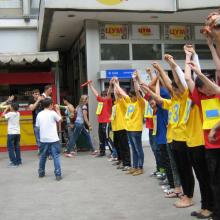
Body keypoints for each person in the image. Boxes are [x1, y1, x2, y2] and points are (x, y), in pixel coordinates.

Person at [36, 98, 62, 181]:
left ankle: (41, 172)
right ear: (50, 105)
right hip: (53, 139)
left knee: (43, 156)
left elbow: (38, 126)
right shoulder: (53, 113)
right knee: (56, 156)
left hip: (43, 139)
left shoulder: (39, 114)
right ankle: (58, 174)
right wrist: (58, 110)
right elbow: (60, 120)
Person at [88, 81, 114, 157]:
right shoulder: (101, 101)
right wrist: (90, 86)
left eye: (104, 95)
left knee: (107, 137)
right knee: (101, 137)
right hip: (101, 122)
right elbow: (96, 93)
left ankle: (113, 152)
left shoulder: (108, 101)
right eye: (102, 95)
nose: (103, 96)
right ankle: (102, 152)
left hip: (106, 122)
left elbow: (108, 93)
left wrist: (110, 85)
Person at [2, 102, 22, 167]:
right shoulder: (18, 113)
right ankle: (19, 161)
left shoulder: (10, 113)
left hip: (11, 133)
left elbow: (2, 115)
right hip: (18, 133)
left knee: (10, 148)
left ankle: (14, 162)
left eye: (10, 106)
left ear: (12, 108)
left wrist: (6, 109)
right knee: (17, 147)